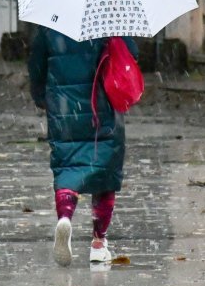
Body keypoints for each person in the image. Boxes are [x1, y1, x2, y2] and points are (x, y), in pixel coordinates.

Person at [28, 26, 138, 266]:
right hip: (103, 106)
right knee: (104, 172)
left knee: (68, 168)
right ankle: (99, 243)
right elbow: (130, 54)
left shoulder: (51, 22)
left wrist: (41, 97)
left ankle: (65, 218)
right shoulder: (109, 18)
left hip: (63, 109)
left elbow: (36, 64)